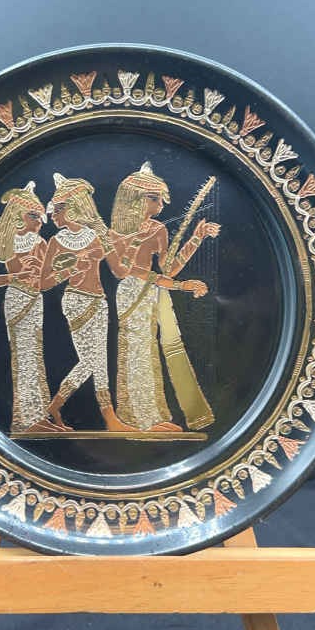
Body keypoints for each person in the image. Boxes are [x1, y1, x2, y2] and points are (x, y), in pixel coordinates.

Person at [109, 161, 220, 432]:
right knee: (135, 352)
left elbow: (169, 268)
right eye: (155, 198)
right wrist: (177, 285)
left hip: (152, 291)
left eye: (161, 199)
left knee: (150, 351)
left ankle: (154, 415)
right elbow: (121, 271)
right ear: (135, 199)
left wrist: (196, 238)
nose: (161, 205)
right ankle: (139, 418)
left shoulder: (158, 229)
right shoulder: (113, 233)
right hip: (131, 293)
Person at [41, 172, 136, 432]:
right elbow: (43, 283)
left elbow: (120, 270)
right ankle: (109, 418)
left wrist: (128, 246)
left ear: (72, 209)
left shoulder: (97, 237)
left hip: (99, 301)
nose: (53, 215)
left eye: (57, 209)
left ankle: (56, 406)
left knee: (95, 361)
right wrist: (72, 268)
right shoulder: (56, 242)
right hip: (75, 302)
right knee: (95, 361)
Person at [0, 181, 64, 434]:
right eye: (34, 216)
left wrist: (64, 270)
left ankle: (37, 417)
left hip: (34, 300)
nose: (40, 222)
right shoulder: (0, 241)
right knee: (25, 357)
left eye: (40, 217)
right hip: (17, 299)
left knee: (34, 357)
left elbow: (44, 282)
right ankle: (26, 420)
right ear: (18, 216)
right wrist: (15, 277)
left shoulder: (39, 243)